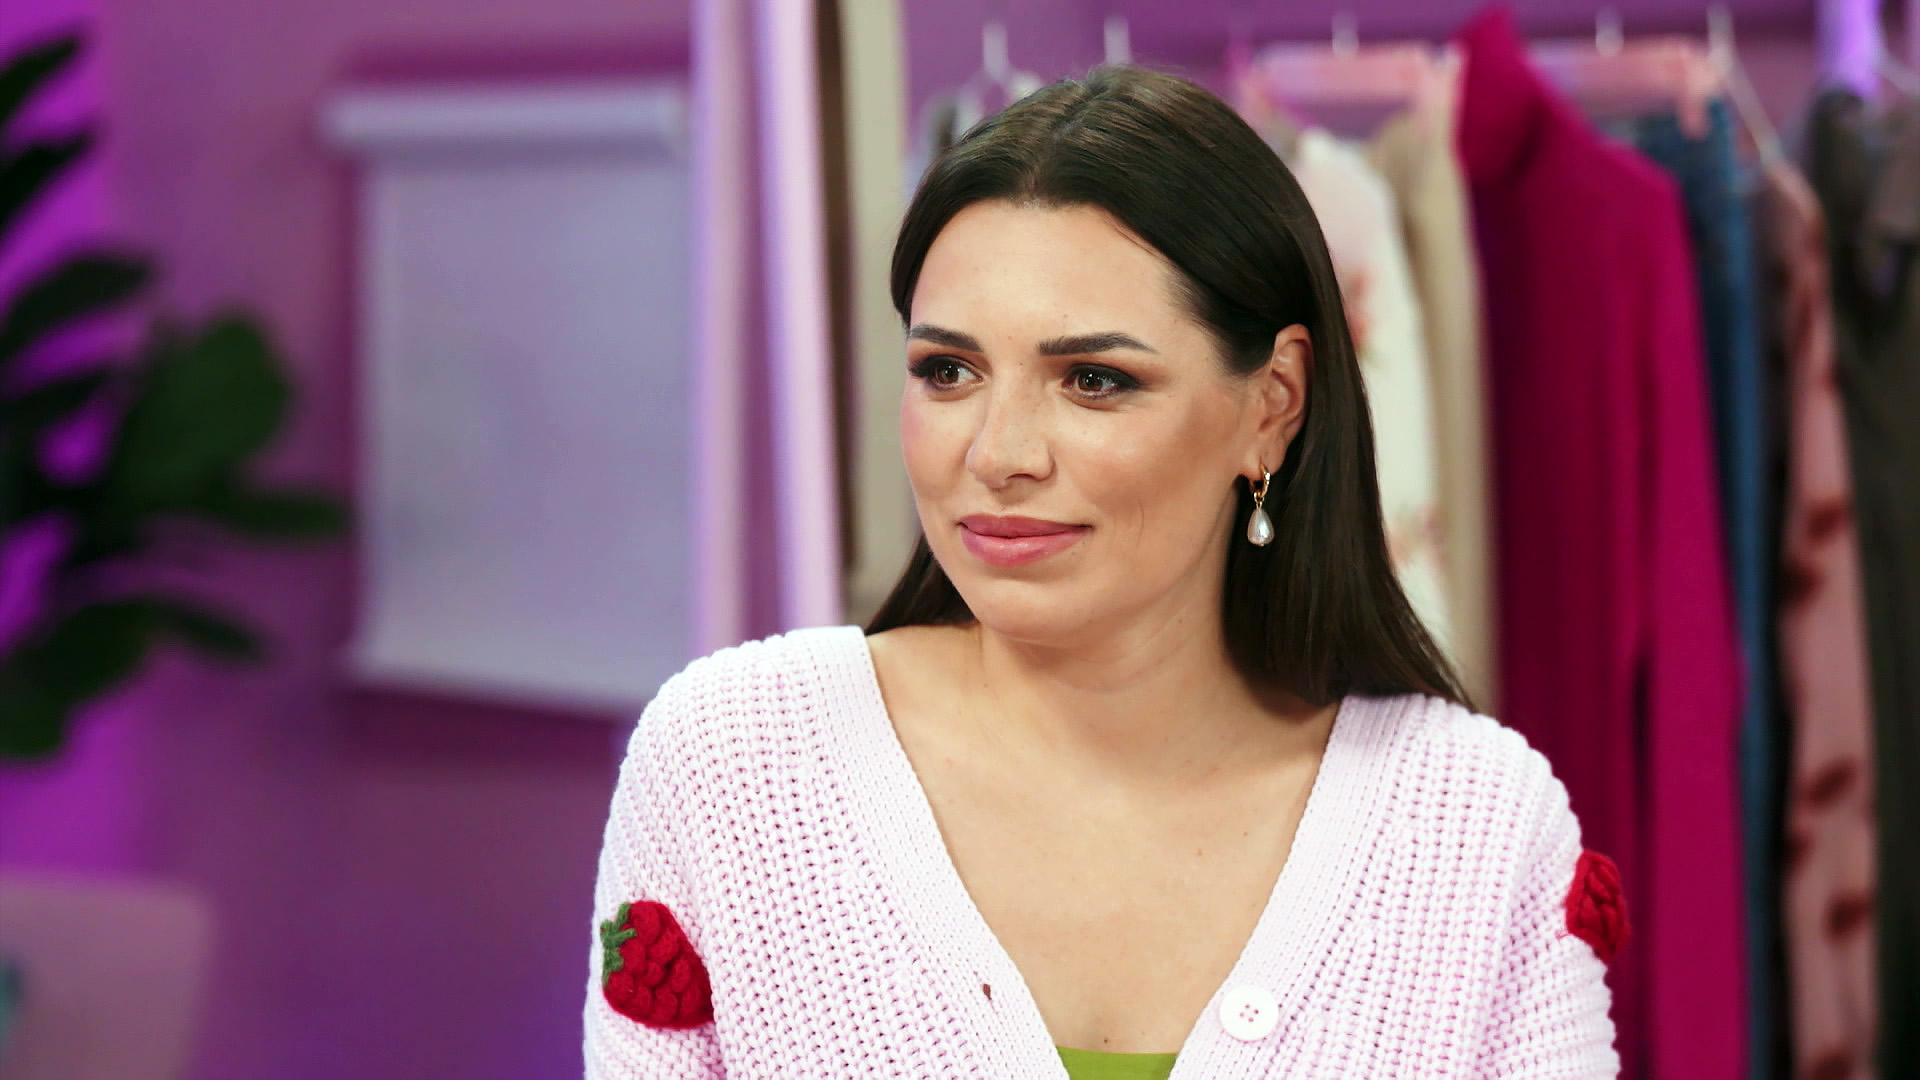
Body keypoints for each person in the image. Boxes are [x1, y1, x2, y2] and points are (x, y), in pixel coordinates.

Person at [584, 65, 1622, 1080]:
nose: (998, 453)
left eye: (1092, 379)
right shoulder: (735, 767)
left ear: (1273, 405)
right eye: (948, 371)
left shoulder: (1475, 827)